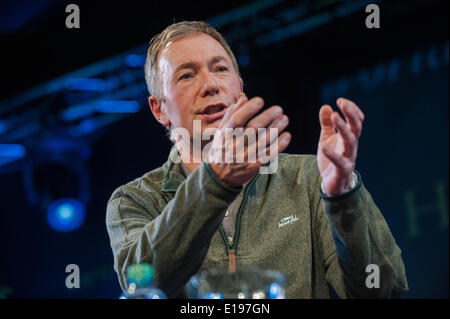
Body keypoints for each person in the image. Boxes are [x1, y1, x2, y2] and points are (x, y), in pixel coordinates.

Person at [106, 21, 408, 298]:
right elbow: (142, 287)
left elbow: (384, 292)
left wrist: (342, 200)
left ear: (239, 87)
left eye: (220, 69)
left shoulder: (309, 178)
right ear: (158, 109)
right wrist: (214, 184)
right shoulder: (134, 200)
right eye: (186, 75)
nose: (210, 84)